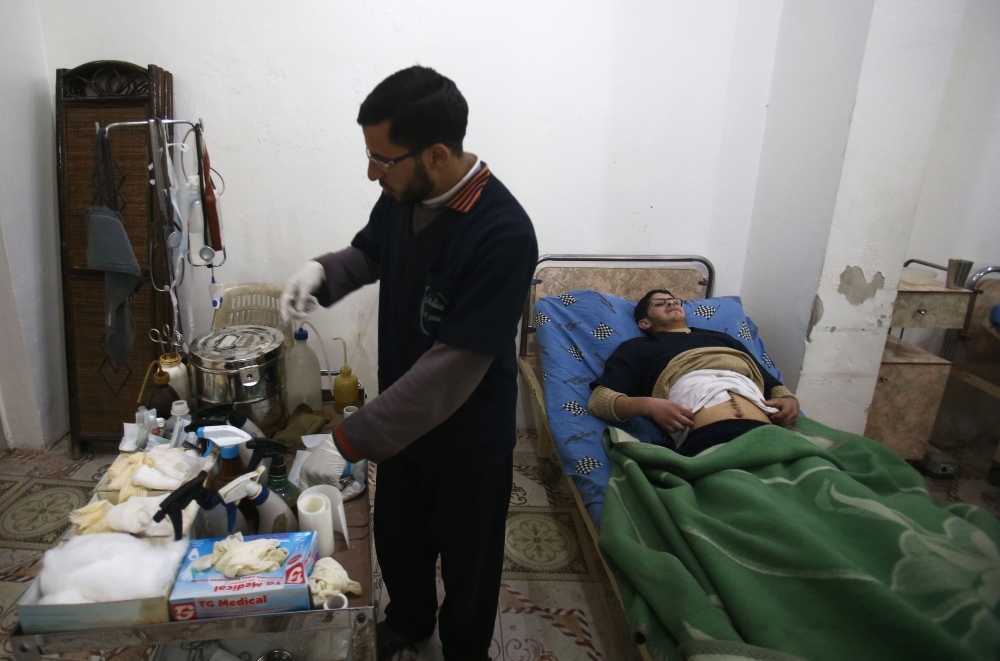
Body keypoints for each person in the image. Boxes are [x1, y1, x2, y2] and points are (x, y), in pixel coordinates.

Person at [279, 67, 538, 660]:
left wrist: (347, 439)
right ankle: (410, 622)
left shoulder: (503, 234)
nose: (372, 172)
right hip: (404, 429)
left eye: (382, 159)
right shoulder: (405, 190)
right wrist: (325, 271)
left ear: (438, 154)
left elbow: (450, 373)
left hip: (468, 439)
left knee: (469, 566)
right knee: (401, 542)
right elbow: (371, 251)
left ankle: (465, 649)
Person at [588, 290, 799, 456]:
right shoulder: (636, 348)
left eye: (674, 301)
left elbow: (775, 387)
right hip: (708, 439)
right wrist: (649, 406)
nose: (671, 303)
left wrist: (790, 400)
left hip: (770, 432)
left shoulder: (724, 340)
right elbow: (600, 400)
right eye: (659, 303)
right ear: (645, 323)